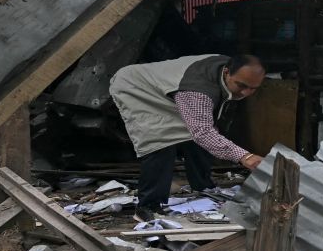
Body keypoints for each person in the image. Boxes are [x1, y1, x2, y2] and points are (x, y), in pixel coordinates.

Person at [109, 54, 266, 221]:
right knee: (160, 141)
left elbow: (204, 130)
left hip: (170, 90)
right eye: (241, 85)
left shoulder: (228, 65)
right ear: (226, 72)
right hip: (136, 87)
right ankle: (147, 206)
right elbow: (203, 133)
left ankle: (203, 186)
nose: (246, 93)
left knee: (203, 132)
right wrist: (244, 156)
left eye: (253, 88)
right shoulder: (198, 90)